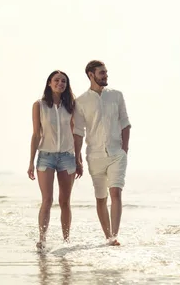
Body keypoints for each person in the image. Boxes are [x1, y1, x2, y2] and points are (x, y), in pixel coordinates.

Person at [73, 60, 131, 246]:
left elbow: (125, 123)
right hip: (95, 155)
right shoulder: (81, 101)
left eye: (106, 72)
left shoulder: (117, 96)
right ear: (91, 75)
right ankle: (107, 237)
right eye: (101, 73)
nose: (105, 76)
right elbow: (79, 132)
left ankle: (114, 236)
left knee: (116, 192)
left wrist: (125, 149)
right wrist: (78, 157)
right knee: (101, 198)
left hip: (116, 153)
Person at [28, 70, 83, 250]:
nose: (61, 83)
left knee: (65, 201)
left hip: (68, 157)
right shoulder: (39, 105)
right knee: (47, 200)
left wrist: (79, 159)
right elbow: (36, 134)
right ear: (49, 83)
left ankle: (66, 241)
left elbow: (76, 135)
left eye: (64, 81)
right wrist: (30, 161)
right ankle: (42, 240)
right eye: (57, 80)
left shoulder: (72, 106)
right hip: (46, 157)